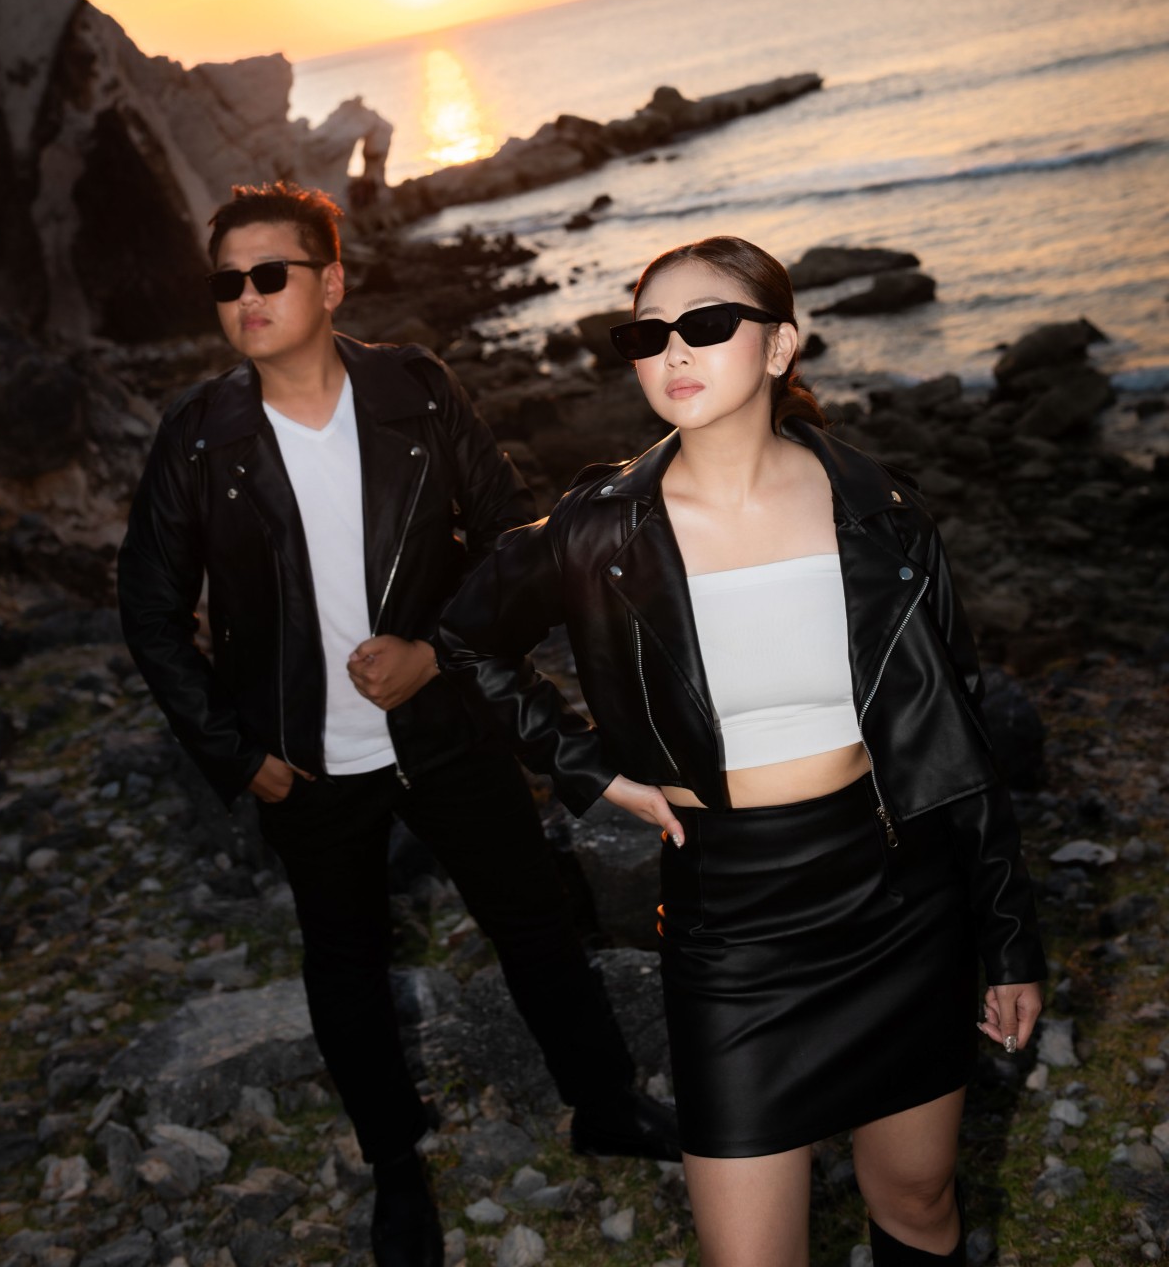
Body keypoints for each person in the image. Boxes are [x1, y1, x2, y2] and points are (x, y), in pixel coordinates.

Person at [439, 233, 1046, 1267]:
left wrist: (1008, 938)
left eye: (707, 324)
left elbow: (956, 736)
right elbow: (463, 639)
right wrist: (588, 771)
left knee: (916, 1200)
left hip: (897, 896)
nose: (672, 350)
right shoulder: (598, 530)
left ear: (778, 347)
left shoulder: (881, 511)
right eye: (646, 335)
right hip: (729, 925)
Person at [115, 181, 678, 1267]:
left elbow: (511, 542)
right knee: (346, 963)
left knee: (533, 919)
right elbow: (149, 607)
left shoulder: (414, 389)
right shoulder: (198, 436)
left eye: (268, 274)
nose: (245, 298)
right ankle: (395, 1170)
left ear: (330, 282)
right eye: (226, 283)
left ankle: (605, 1106)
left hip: (444, 726)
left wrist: (432, 651)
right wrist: (237, 754)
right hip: (304, 762)